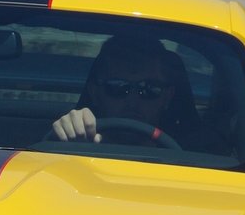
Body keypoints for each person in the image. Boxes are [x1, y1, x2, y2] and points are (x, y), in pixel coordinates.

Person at [51, 35, 191, 146]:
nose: (133, 102)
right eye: (117, 87)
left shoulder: (198, 158)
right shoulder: (73, 140)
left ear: (167, 97)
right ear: (94, 93)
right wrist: (70, 135)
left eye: (150, 89)